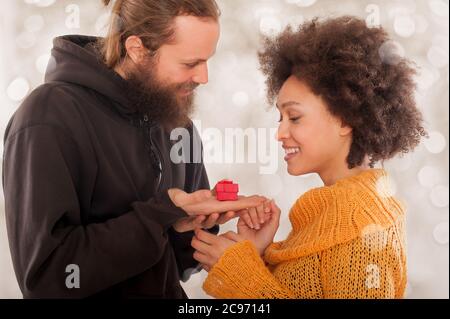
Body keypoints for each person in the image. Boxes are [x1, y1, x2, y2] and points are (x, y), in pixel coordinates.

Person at [2, 0, 267, 298]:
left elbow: (178, 265)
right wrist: (160, 215)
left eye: (208, 60)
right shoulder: (48, 116)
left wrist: (198, 229)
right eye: (190, 63)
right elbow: (49, 279)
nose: (204, 78)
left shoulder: (177, 124)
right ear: (138, 50)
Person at [192, 16, 427, 299]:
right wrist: (259, 256)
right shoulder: (333, 215)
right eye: (280, 118)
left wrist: (240, 276)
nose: (280, 133)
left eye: (295, 117)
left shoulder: (365, 226)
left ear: (344, 118)